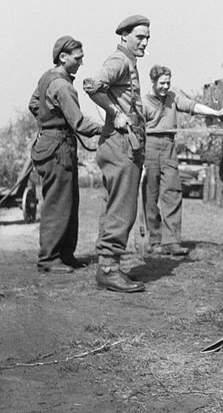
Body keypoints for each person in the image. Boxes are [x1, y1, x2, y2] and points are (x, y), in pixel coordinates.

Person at [83, 15, 150, 293]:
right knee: (122, 208)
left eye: (147, 38)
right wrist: (116, 113)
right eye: (139, 37)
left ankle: (107, 267)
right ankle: (109, 269)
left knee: (114, 205)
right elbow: (91, 84)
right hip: (120, 144)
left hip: (121, 144)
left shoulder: (127, 62)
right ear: (124, 36)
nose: (144, 42)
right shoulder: (120, 61)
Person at [29, 36, 102, 273]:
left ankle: (64, 255)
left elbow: (33, 104)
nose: (81, 62)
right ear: (63, 57)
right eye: (78, 58)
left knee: (67, 202)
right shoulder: (62, 86)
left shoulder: (46, 78)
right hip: (58, 147)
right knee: (58, 204)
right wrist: (108, 127)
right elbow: (79, 122)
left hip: (51, 143)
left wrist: (48, 119)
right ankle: (49, 259)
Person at [142, 65, 223, 256]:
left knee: (173, 192)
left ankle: (171, 242)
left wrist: (215, 113)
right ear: (153, 82)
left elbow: (192, 106)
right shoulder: (143, 102)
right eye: (162, 83)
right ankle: (154, 240)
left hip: (169, 147)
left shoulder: (173, 98)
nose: (165, 87)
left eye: (168, 83)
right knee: (150, 195)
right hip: (149, 146)